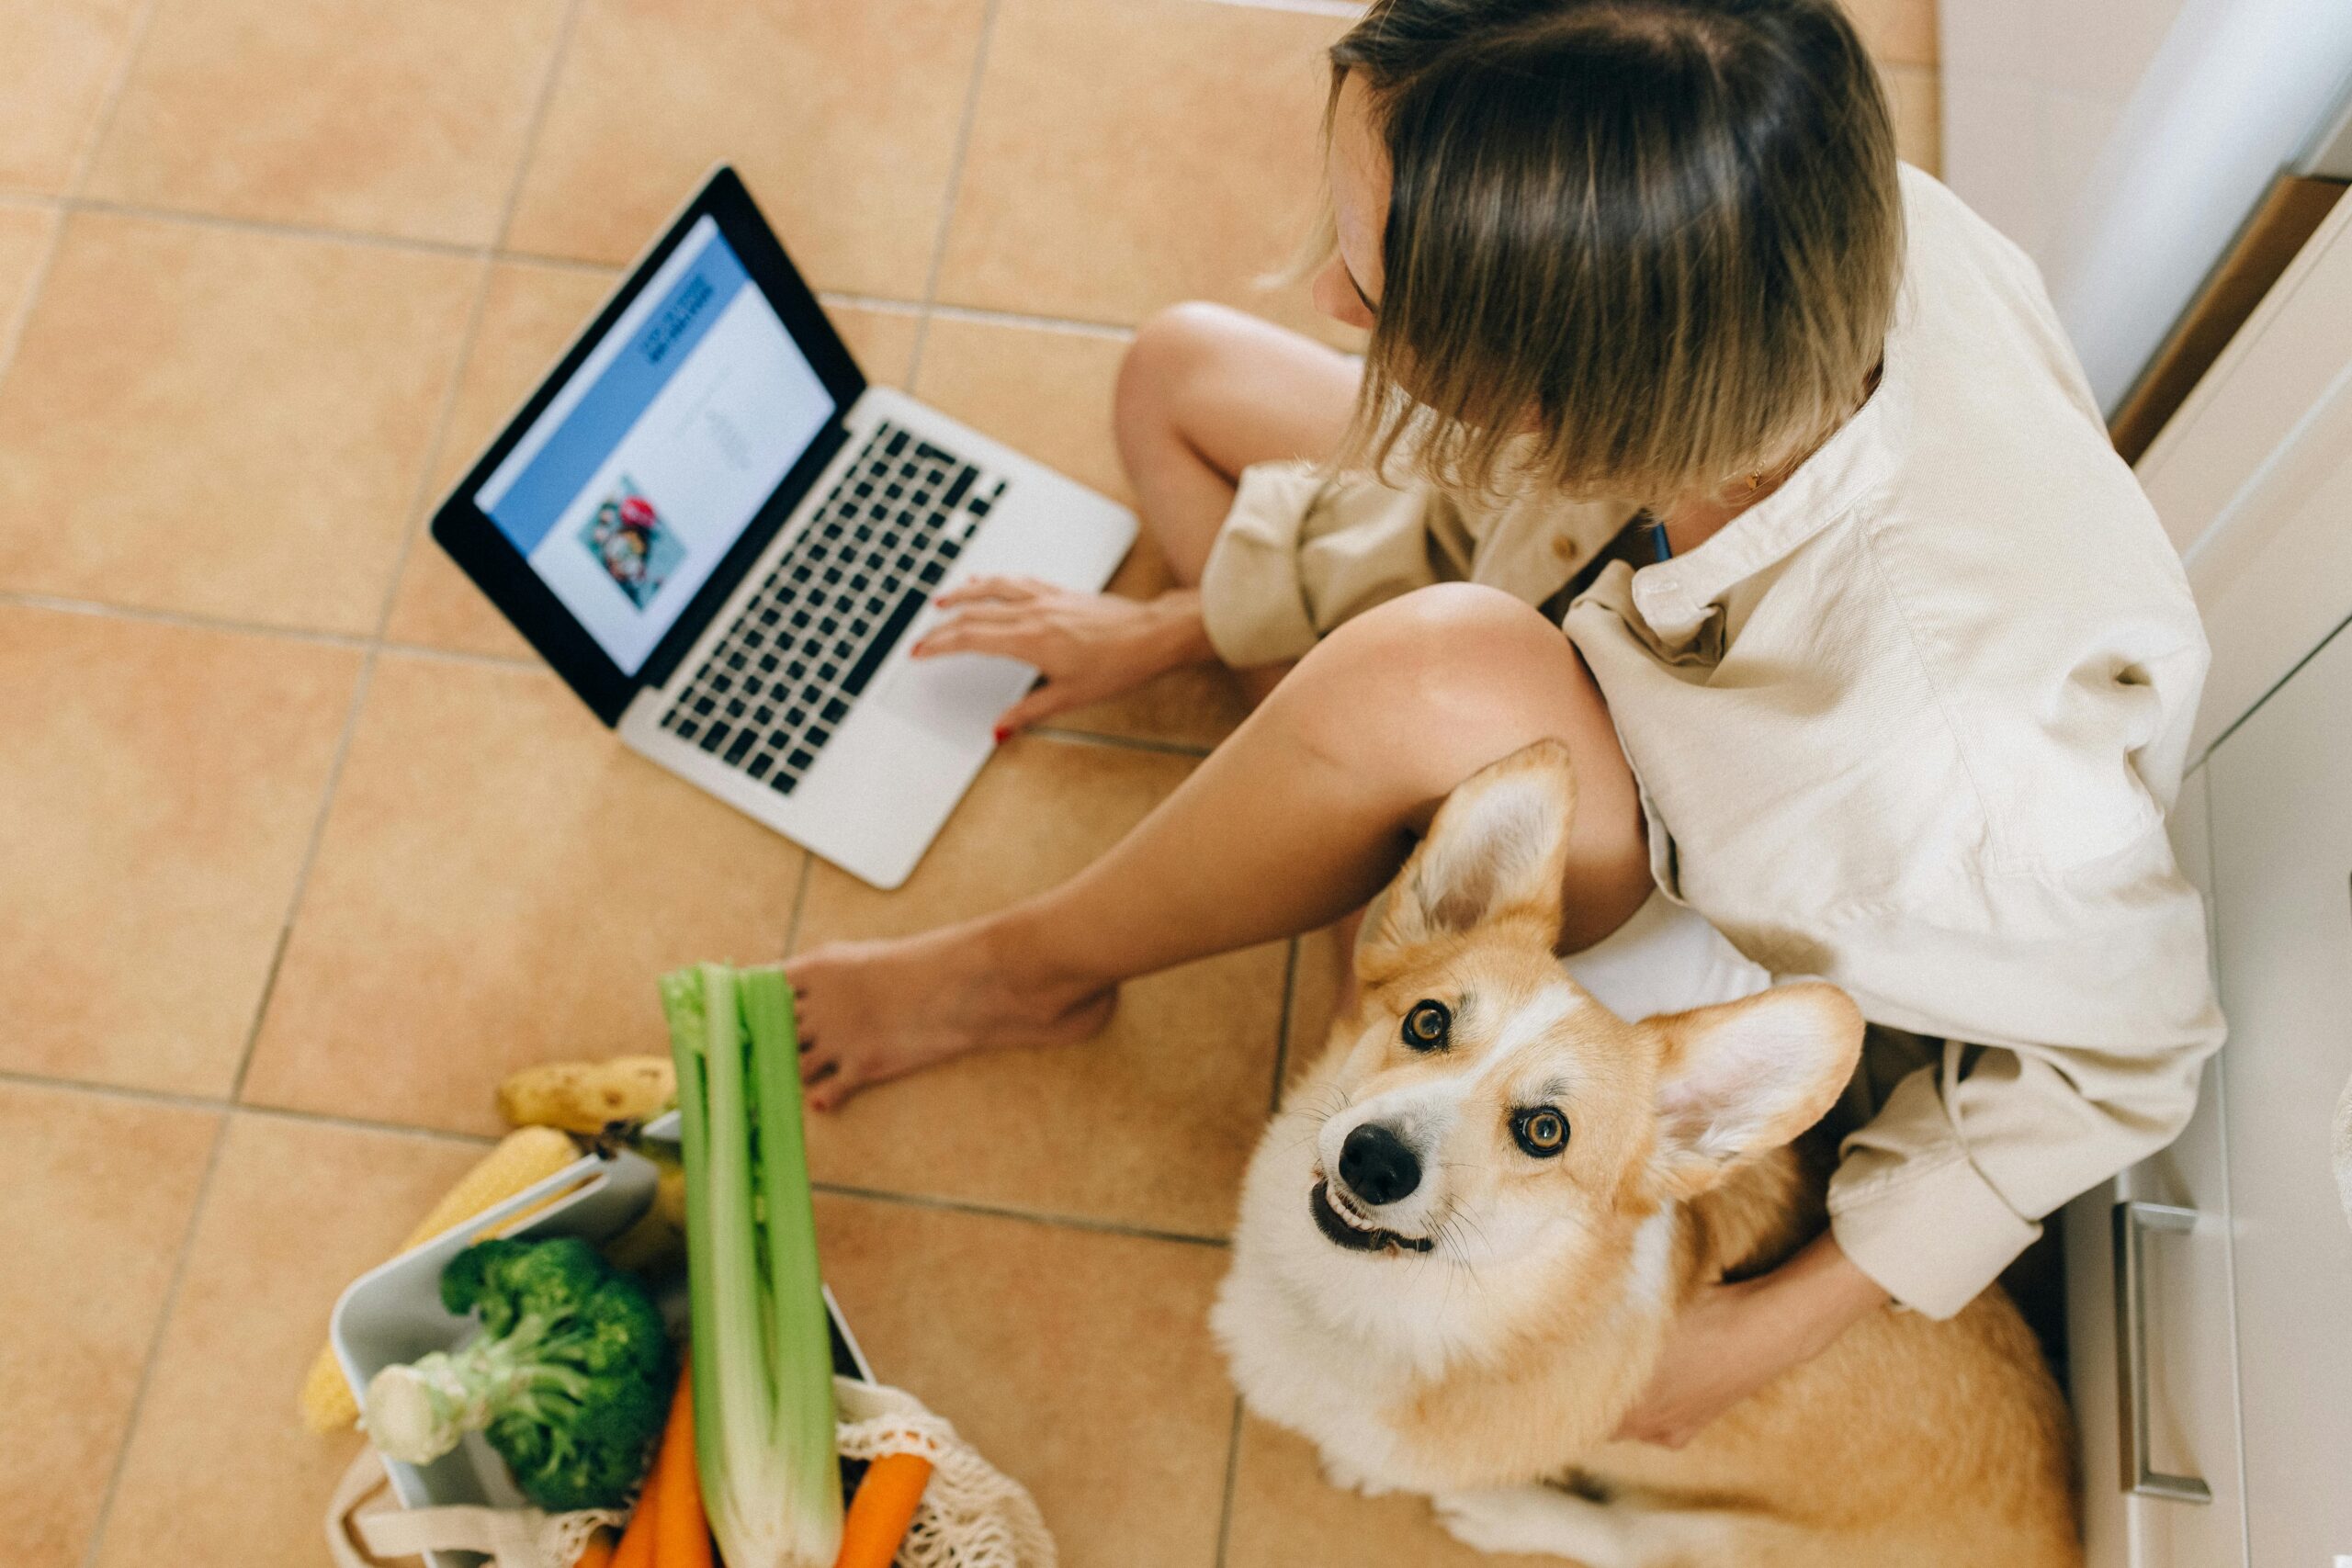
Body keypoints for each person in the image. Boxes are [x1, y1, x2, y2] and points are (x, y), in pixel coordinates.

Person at [786, 0, 2224, 1447]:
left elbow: (2135, 1057)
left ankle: (1028, 970)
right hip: (1575, 619)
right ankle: (1334, 774)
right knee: (1177, 374)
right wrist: (1194, 618)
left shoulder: (1954, 778)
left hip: (1706, 865)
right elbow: (1549, 520)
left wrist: (1760, 1330)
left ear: (1564, 382)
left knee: (1437, 670)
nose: (1336, 310)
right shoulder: (1767, 224)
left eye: (1382, 288)